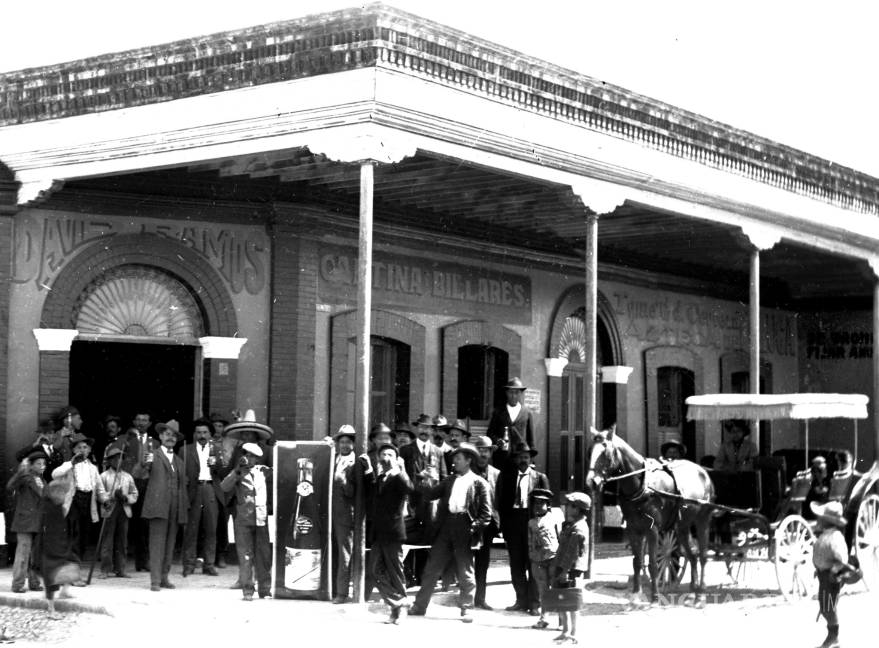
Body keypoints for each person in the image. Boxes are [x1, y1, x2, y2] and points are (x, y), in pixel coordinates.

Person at [409, 442, 492, 624]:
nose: (454, 462)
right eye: (454, 458)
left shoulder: (480, 483)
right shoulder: (449, 480)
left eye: (458, 458)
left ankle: (467, 609)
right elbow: (430, 495)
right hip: (446, 527)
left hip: (465, 528)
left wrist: (472, 528)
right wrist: (424, 480)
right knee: (432, 568)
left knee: (465, 571)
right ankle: (419, 606)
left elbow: (486, 514)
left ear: (468, 460)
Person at [359, 443, 414, 624]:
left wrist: (401, 470)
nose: (386, 458)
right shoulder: (381, 477)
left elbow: (409, 488)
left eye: (390, 455)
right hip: (378, 533)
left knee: (395, 572)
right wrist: (369, 470)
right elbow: (372, 492)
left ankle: (398, 610)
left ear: (396, 459)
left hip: (393, 533)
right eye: (383, 455)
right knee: (375, 571)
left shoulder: (398, 477)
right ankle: (398, 603)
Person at [498, 442, 549, 614]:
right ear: (515, 459)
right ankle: (520, 600)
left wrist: (543, 527)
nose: (523, 460)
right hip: (513, 524)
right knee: (516, 564)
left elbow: (547, 505)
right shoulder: (507, 477)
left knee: (534, 564)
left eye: (526, 457)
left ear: (531, 459)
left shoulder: (540, 478)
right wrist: (504, 528)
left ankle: (534, 603)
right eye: (520, 457)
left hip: (532, 523)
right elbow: (501, 503)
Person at [399, 414, 448, 585]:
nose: (424, 431)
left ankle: (422, 576)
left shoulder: (438, 452)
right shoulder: (406, 450)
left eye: (427, 428)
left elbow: (444, 478)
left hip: (430, 505)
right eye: (421, 427)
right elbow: (401, 477)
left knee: (428, 538)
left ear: (432, 431)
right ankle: (408, 576)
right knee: (408, 538)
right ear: (416, 429)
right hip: (411, 503)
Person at [221, 442, 273, 601]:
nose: (249, 459)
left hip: (261, 519)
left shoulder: (263, 471)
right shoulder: (238, 472)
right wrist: (237, 470)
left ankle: (265, 589)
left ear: (257, 459)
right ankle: (248, 590)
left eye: (252, 456)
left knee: (263, 556)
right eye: (246, 455)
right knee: (245, 556)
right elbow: (224, 486)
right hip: (244, 519)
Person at [142, 420, 188, 592]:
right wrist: (144, 464)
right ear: (160, 436)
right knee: (157, 544)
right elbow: (139, 473)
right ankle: (155, 580)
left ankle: (164, 578)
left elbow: (183, 485)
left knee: (170, 544)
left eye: (174, 436)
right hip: (158, 506)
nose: (171, 438)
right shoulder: (152, 455)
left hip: (175, 508)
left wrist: (183, 508)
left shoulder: (179, 461)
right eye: (167, 434)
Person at [51, 433, 108, 567]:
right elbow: (55, 474)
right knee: (73, 533)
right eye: (79, 447)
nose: (82, 450)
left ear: (89, 450)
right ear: (74, 450)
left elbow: (99, 489)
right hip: (74, 501)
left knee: (84, 534)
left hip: (87, 502)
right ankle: (71, 564)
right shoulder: (68, 465)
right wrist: (72, 463)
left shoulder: (93, 468)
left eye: (85, 447)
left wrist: (105, 500)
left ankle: (77, 561)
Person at [810, 500, 859, 648]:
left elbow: (842, 560)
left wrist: (833, 571)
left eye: (821, 518)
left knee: (829, 607)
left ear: (827, 520)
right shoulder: (825, 535)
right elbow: (822, 555)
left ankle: (833, 636)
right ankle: (832, 636)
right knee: (824, 604)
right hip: (823, 576)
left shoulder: (836, 538)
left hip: (831, 577)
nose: (818, 520)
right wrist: (818, 568)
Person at [183, 418, 223, 577]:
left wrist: (216, 465)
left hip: (210, 488)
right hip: (194, 490)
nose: (202, 435)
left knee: (211, 529)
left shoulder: (217, 450)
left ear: (210, 434)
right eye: (199, 432)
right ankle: (189, 564)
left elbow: (223, 472)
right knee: (191, 529)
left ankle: (209, 564)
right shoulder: (185, 450)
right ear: (194, 434)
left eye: (205, 432)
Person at [40, 471, 81, 620]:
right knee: (51, 576)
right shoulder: (48, 508)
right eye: (62, 493)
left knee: (71, 563)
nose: (64, 496)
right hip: (49, 548)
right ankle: (51, 609)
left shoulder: (57, 506)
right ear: (55, 493)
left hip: (59, 545)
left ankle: (64, 591)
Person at [551, 492, 591, 645]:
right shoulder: (572, 525)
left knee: (572, 603)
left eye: (570, 506)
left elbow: (572, 554)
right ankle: (565, 631)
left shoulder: (578, 528)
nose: (567, 508)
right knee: (562, 601)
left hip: (570, 571)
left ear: (577, 508)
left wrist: (564, 571)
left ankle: (574, 633)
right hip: (563, 568)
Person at [7, 449, 47, 593]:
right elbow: (10, 486)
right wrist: (21, 471)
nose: (42, 466)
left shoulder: (42, 480)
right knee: (23, 554)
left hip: (38, 521)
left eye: (43, 463)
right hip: (25, 521)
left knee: (36, 555)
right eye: (38, 464)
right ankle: (17, 584)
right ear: (31, 465)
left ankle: (34, 583)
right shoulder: (25, 477)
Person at [98, 447, 139, 578]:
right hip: (110, 510)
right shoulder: (104, 476)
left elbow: (134, 493)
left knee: (122, 540)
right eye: (114, 459)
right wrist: (110, 496)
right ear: (109, 461)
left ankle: (120, 569)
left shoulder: (128, 476)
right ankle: (105, 569)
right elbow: (99, 493)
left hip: (124, 509)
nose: (118, 461)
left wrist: (126, 498)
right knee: (107, 541)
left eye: (120, 459)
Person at [471, 435, 500, 610]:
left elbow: (498, 501)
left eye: (486, 451)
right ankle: (466, 598)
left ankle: (480, 598)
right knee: (466, 562)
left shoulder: (496, 474)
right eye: (480, 450)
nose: (483, 454)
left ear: (490, 453)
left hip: (488, 525)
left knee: (483, 563)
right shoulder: (467, 472)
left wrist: (497, 522)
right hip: (469, 523)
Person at [128, 410, 158, 573]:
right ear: (134, 422)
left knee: (144, 523)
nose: (141, 423)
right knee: (129, 522)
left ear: (149, 423)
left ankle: (143, 560)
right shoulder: (127, 440)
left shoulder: (156, 443)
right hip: (130, 483)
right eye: (138, 420)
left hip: (147, 484)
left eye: (144, 420)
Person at [528, 488, 560, 630]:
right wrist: (532, 556)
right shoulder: (531, 522)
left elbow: (561, 537)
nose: (538, 506)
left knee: (557, 589)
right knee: (542, 590)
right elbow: (530, 541)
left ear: (548, 505)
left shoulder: (554, 519)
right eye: (536, 503)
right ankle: (544, 618)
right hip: (538, 560)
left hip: (553, 558)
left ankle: (562, 620)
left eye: (542, 503)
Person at [332, 424, 357, 603]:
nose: (345, 445)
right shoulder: (333, 458)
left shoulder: (356, 462)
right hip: (329, 514)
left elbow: (354, 492)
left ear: (353, 444)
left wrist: (343, 481)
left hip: (346, 515)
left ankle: (342, 593)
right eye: (342, 442)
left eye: (348, 442)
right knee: (332, 552)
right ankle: (331, 589)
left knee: (344, 553)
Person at [487, 378, 535, 468]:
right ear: (506, 393)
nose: (513, 396)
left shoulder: (527, 413)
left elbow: (531, 440)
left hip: (520, 459)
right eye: (511, 392)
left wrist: (531, 460)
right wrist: (498, 440)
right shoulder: (498, 412)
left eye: (517, 393)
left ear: (521, 394)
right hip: (501, 459)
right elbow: (490, 433)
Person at [210, 411, 232, 568]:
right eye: (215, 426)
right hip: (209, 484)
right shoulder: (207, 442)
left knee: (222, 522)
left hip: (224, 486)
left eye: (220, 426)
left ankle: (221, 555)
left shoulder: (229, 443)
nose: (217, 429)